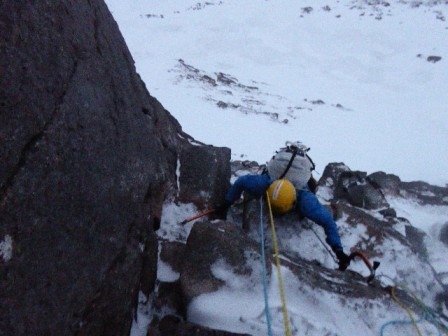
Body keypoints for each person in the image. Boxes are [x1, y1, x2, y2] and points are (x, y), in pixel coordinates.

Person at [215, 141, 351, 271]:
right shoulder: (262, 184)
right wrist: (225, 205)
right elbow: (241, 182)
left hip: (294, 178)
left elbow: (328, 221)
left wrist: (339, 250)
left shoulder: (305, 201)